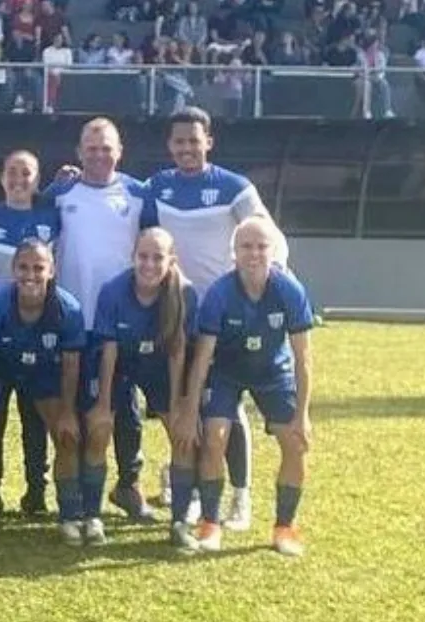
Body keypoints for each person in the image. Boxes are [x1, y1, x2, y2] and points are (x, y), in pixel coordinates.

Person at [144, 106, 290, 528]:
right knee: (181, 404)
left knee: (225, 407)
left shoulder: (234, 186)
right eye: (179, 141)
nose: (187, 148)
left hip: (229, 318)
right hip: (179, 317)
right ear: (169, 145)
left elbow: (268, 235)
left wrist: (270, 278)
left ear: (209, 141)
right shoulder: (157, 187)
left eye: (195, 140)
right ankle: (184, 486)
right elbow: (123, 206)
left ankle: (240, 497)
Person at [181, 217, 314, 557]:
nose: (254, 253)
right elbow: (202, 359)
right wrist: (189, 411)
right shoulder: (219, 293)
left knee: (296, 444)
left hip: (273, 372)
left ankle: (285, 527)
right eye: (246, 247)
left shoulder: (289, 290)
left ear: (273, 252)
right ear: (234, 253)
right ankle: (210, 523)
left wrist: (303, 414)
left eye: (261, 246)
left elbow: (303, 358)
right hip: (226, 372)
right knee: (214, 438)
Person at [46, 117, 152, 521]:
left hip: (125, 323)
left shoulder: (139, 194)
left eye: (106, 147)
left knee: (125, 407)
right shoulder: (60, 193)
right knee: (67, 406)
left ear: (120, 151)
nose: (99, 154)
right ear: (78, 153)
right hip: (73, 322)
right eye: (91, 147)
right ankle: (66, 490)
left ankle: (129, 484)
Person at [0, 240, 90, 545]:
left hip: (44, 374)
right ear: (13, 269)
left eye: (39, 268)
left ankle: (70, 515)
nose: (30, 275)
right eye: (23, 267)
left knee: (67, 435)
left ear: (52, 270)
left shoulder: (68, 309)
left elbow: (72, 363)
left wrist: (67, 413)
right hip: (1, 368)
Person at [92, 228, 202, 550]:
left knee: (184, 436)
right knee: (99, 428)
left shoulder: (184, 293)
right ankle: (89, 516)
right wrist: (101, 405)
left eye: (157, 257)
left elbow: (178, 351)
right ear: (133, 257)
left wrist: (178, 407)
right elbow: (109, 350)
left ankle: (181, 521)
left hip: (160, 365)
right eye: (143, 256)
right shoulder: (114, 290)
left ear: (171, 261)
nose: (149, 264)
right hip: (120, 363)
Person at [0, 150, 61, 517]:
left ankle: (36, 491)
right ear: (2, 177)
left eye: (28, 173)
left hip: (39, 335)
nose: (20, 179)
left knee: (35, 418)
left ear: (38, 179)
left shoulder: (51, 218)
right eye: (13, 172)